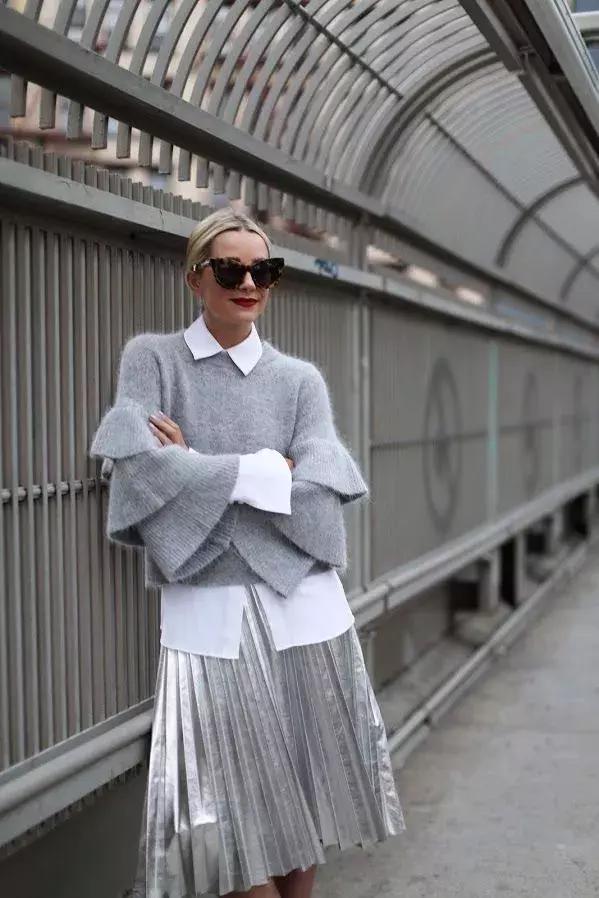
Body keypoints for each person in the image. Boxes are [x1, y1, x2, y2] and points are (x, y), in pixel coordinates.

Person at [89, 207, 404, 898]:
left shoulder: (299, 380)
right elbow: (136, 468)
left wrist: (196, 467)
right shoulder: (153, 358)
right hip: (208, 606)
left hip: (305, 605)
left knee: (304, 787)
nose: (250, 284)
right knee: (221, 820)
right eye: (231, 270)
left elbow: (323, 487)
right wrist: (264, 473)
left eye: (265, 270)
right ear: (195, 277)